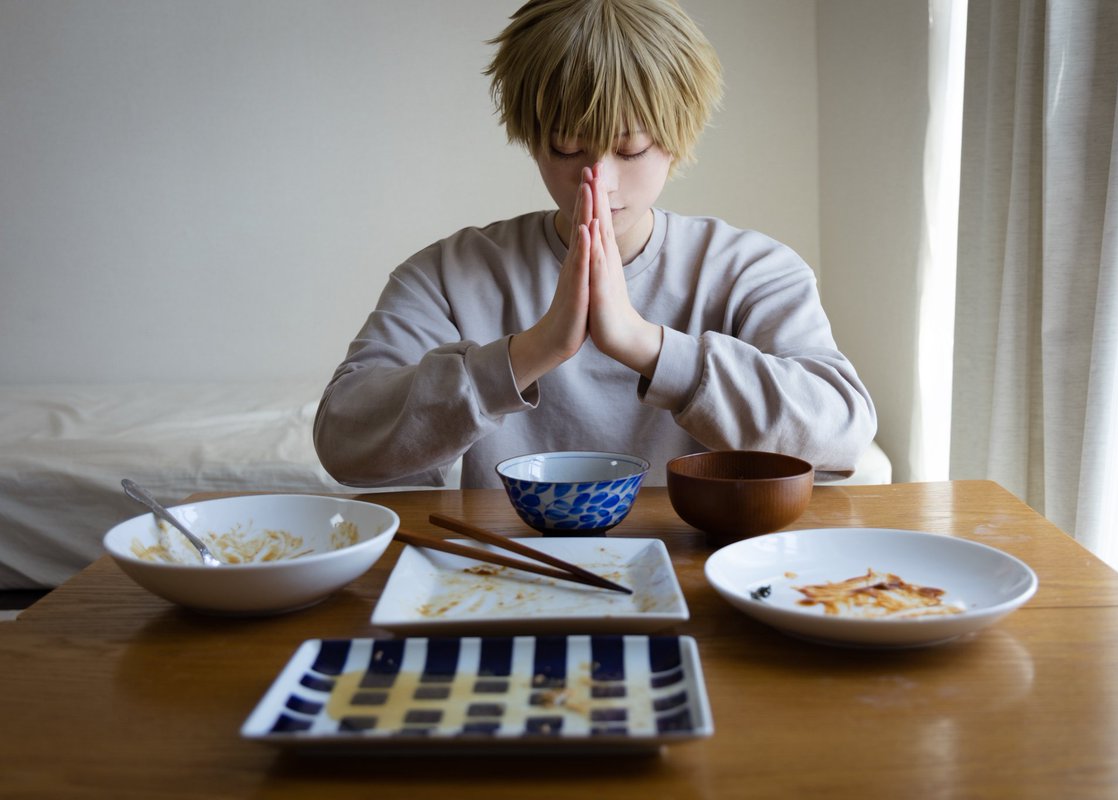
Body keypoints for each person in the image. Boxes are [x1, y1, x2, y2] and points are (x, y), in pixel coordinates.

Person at [314, 0, 876, 489]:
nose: (599, 183)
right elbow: (342, 440)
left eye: (631, 150)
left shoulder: (749, 270)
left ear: (677, 140)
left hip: (698, 561)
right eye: (567, 148)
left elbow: (843, 434)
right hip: (507, 564)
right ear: (532, 140)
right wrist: (531, 351)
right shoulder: (448, 275)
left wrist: (645, 345)